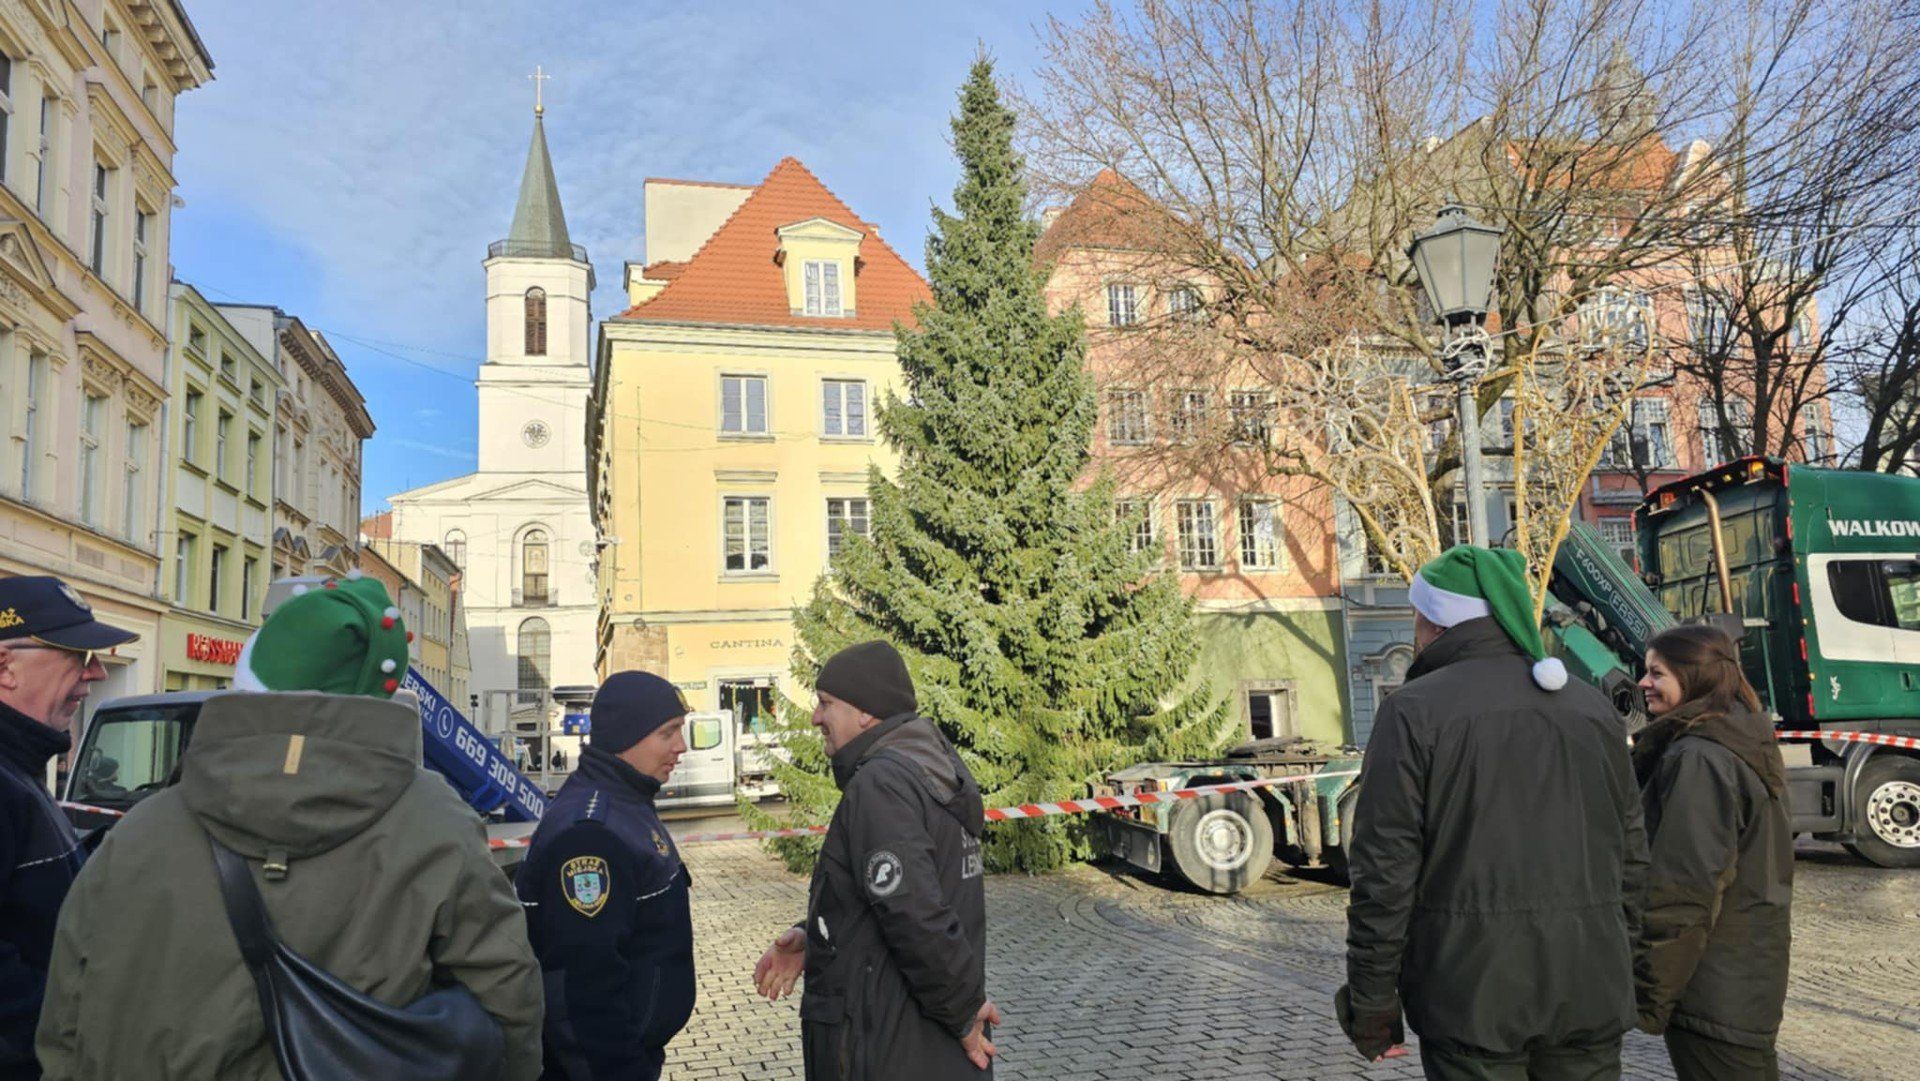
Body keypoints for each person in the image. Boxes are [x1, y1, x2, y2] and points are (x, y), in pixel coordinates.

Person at [36, 573, 544, 1081]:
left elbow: (68, 1006)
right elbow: (505, 994)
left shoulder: (143, 828)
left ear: (248, 677)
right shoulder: (436, 821)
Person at [1339, 546, 1648, 1080]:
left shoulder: (1412, 711)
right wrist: (1636, 967)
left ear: (1432, 620)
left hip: (1471, 994)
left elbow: (1384, 874)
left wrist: (1372, 1004)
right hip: (1589, 983)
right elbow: (1632, 860)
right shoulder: (1592, 709)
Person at [753, 640, 1000, 1079]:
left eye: (826, 703)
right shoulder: (921, 768)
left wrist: (962, 1014)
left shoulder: (882, 783)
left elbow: (915, 913)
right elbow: (890, 899)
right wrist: (814, 937)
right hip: (912, 1040)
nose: (815, 717)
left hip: (887, 1045)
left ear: (865, 712)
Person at [518, 670, 695, 1080]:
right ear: (626, 736)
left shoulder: (626, 802)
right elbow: (581, 990)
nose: (681, 747)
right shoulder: (591, 835)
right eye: (668, 733)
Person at [1633, 624, 1792, 1081]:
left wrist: (1650, 995)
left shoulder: (1700, 757)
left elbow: (1684, 888)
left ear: (1694, 678)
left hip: (1714, 989)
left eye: (1656, 673)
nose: (1643, 683)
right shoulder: (1739, 736)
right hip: (1741, 978)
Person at [0, 576, 136, 1081]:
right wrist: (76, 1037)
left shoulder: (20, 765)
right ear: (5, 667)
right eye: (78, 655)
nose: (97, 673)